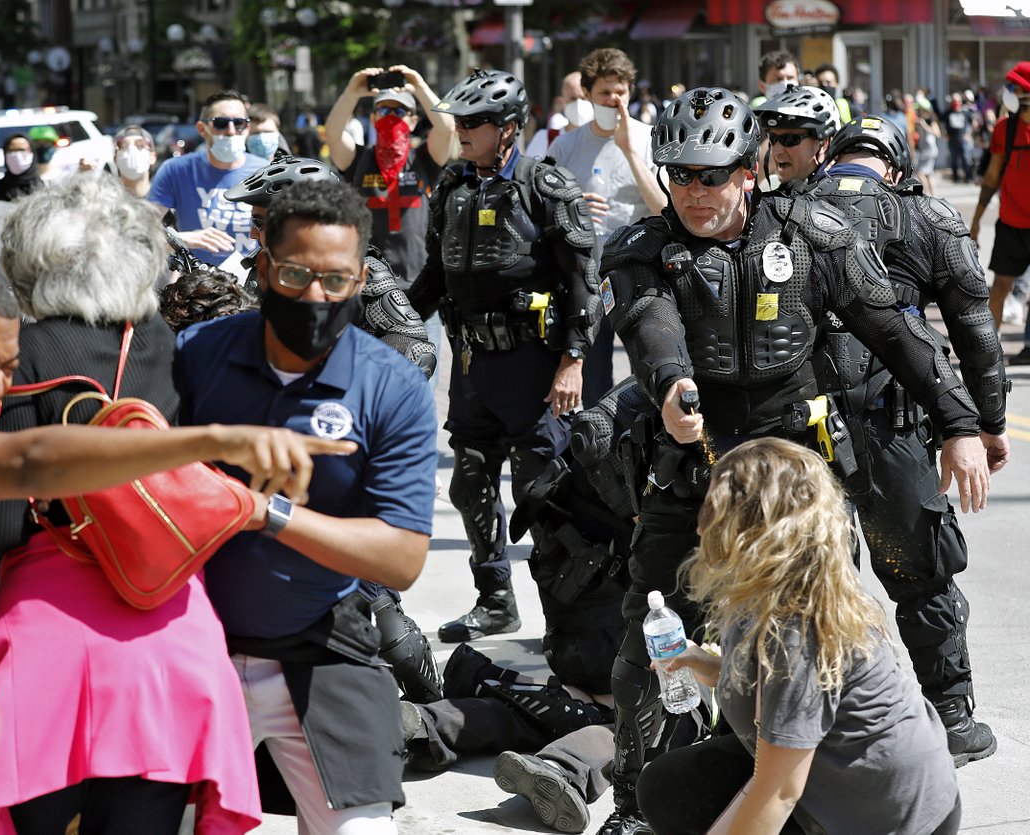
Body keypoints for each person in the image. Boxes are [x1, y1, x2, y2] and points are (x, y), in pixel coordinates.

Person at [595, 86, 989, 835]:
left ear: (749, 170)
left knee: (812, 646)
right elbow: (652, 328)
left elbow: (897, 331)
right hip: (695, 463)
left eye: (711, 175)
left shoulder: (815, 232)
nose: (693, 192)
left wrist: (962, 423)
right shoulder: (643, 249)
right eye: (678, 175)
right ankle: (629, 802)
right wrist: (673, 387)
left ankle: (800, 790)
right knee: (650, 634)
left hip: (794, 482)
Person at [0, 174, 309, 834]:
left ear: (28, 262)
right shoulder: (177, 347)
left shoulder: (19, 356)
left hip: (46, 647)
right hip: (175, 639)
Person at [175, 179, 437, 833]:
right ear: (263, 266)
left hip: (324, 648)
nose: (315, 296)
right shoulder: (197, 354)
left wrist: (267, 510)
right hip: (191, 643)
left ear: (362, 277)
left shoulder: (392, 385)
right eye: (295, 274)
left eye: (336, 279)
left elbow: (402, 557)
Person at [802, 115, 1009, 766]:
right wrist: (987, 423)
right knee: (922, 573)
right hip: (893, 420)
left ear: (831, 159)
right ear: (893, 168)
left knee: (810, 575)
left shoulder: (785, 209)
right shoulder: (929, 219)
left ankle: (813, 720)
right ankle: (951, 720)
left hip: (799, 422)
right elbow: (975, 334)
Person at [635, 438, 961, 835]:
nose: (701, 525)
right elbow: (776, 688)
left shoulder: (795, 631)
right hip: (840, 782)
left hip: (892, 821)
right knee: (669, 786)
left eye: (715, 509)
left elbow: (779, 793)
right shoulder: (774, 583)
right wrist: (708, 665)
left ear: (755, 529)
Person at [407, 68, 600, 643]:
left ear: (509, 129)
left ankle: (567, 614)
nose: (461, 131)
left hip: (533, 366)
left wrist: (573, 360)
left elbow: (584, 279)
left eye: (474, 123)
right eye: (457, 121)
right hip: (471, 364)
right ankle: (494, 601)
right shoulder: (451, 187)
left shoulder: (547, 186)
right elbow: (434, 276)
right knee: (470, 483)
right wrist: (385, 323)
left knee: (543, 492)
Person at [220, 150, 437, 379]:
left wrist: (342, 381)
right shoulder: (261, 265)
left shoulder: (359, 270)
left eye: (259, 222)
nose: (253, 233)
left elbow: (417, 352)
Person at [547, 48, 665, 407]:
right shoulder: (567, 145)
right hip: (587, 282)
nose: (614, 100)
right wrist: (572, 202)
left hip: (641, 278)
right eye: (605, 93)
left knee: (650, 377)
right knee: (597, 385)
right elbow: (544, 213)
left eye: (621, 92)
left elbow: (664, 208)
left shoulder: (649, 138)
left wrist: (630, 152)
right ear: (587, 94)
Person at [325, 64, 454, 293]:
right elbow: (333, 135)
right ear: (374, 118)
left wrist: (420, 86)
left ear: (413, 121)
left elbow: (447, 129)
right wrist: (352, 93)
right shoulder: (359, 159)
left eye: (400, 112)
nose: (392, 117)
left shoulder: (424, 160)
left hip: (420, 287)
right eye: (384, 111)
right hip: (369, 288)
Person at [148, 90, 267, 266]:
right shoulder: (176, 170)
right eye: (221, 123)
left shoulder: (265, 171)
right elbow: (147, 234)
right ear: (202, 129)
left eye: (239, 123)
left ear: (248, 128)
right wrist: (182, 239)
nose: (231, 131)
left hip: (254, 283)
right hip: (198, 284)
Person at [969, 61, 1030, 340]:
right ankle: (990, 352)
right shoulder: (1005, 129)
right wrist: (976, 222)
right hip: (1011, 224)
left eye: (1012, 87)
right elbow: (992, 177)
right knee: (999, 289)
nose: (1007, 92)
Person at [753, 84, 840, 191]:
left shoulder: (843, 196)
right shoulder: (767, 188)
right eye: (772, 138)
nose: (776, 151)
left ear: (824, 144)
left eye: (789, 140)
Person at [111, 124, 157, 198]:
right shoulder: (106, 204)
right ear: (115, 159)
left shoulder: (164, 202)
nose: (132, 150)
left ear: (152, 157)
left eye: (140, 145)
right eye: (124, 146)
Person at [915, 104, 942, 196]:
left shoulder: (930, 120)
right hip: (924, 149)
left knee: (920, 173)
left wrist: (924, 125)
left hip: (930, 150)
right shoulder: (919, 121)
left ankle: (925, 194)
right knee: (929, 174)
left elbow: (937, 133)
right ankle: (934, 195)